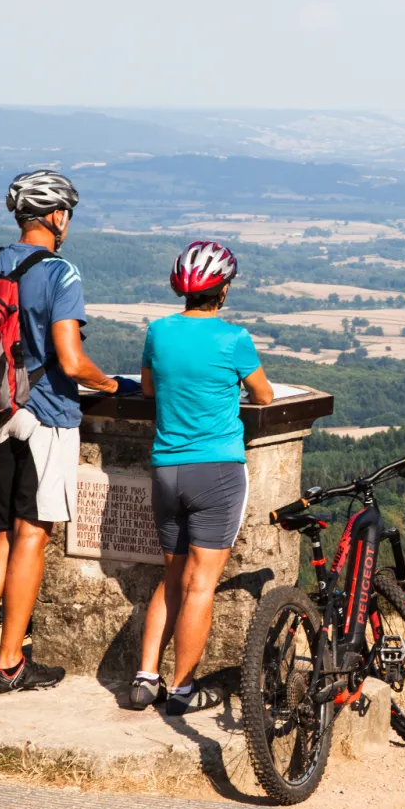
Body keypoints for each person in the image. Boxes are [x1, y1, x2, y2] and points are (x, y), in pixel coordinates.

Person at [0, 170, 138, 700]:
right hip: (48, 416)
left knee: (4, 532)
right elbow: (72, 361)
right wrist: (113, 385)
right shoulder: (61, 272)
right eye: (67, 214)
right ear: (56, 216)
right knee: (34, 534)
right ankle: (9, 663)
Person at [130, 240, 274, 716]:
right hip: (217, 472)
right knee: (200, 586)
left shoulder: (159, 333)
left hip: (166, 471)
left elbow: (149, 389)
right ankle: (184, 690)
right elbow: (265, 396)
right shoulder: (234, 340)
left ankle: (145, 677)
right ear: (224, 290)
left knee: (171, 577)